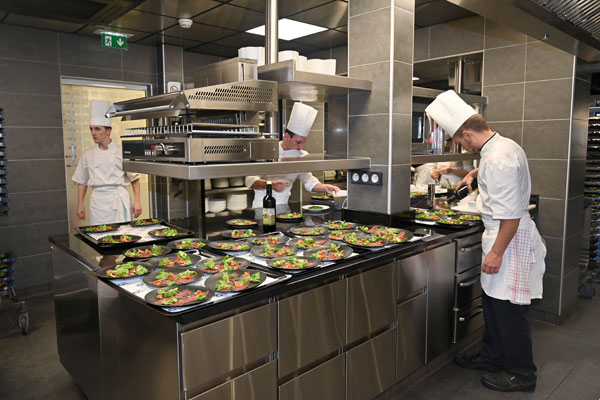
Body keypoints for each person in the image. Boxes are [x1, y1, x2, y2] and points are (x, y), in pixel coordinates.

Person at [425, 90, 546, 393]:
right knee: (493, 306)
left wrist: (496, 253)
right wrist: (475, 174)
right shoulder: (500, 147)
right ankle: (491, 357)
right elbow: (493, 166)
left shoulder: (499, 158)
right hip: (502, 237)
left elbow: (510, 216)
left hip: (508, 241)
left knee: (508, 312)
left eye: (459, 141)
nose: (462, 146)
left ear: (467, 134)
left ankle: (522, 374)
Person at [246, 102, 340, 214]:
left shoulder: (301, 155)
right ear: (287, 136)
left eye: (303, 143)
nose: (301, 147)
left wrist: (325, 187)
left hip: (285, 208)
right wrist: (272, 185)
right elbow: (250, 181)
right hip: (262, 207)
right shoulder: (266, 151)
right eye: (298, 142)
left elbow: (309, 181)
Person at [72, 100, 142, 225]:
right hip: (98, 204)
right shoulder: (88, 155)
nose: (93, 133)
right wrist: (80, 204)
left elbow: (134, 179)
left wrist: (137, 201)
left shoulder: (122, 152)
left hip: (118, 200)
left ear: (108, 131)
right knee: (99, 233)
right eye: (91, 129)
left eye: (97, 129)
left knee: (122, 232)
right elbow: (82, 182)